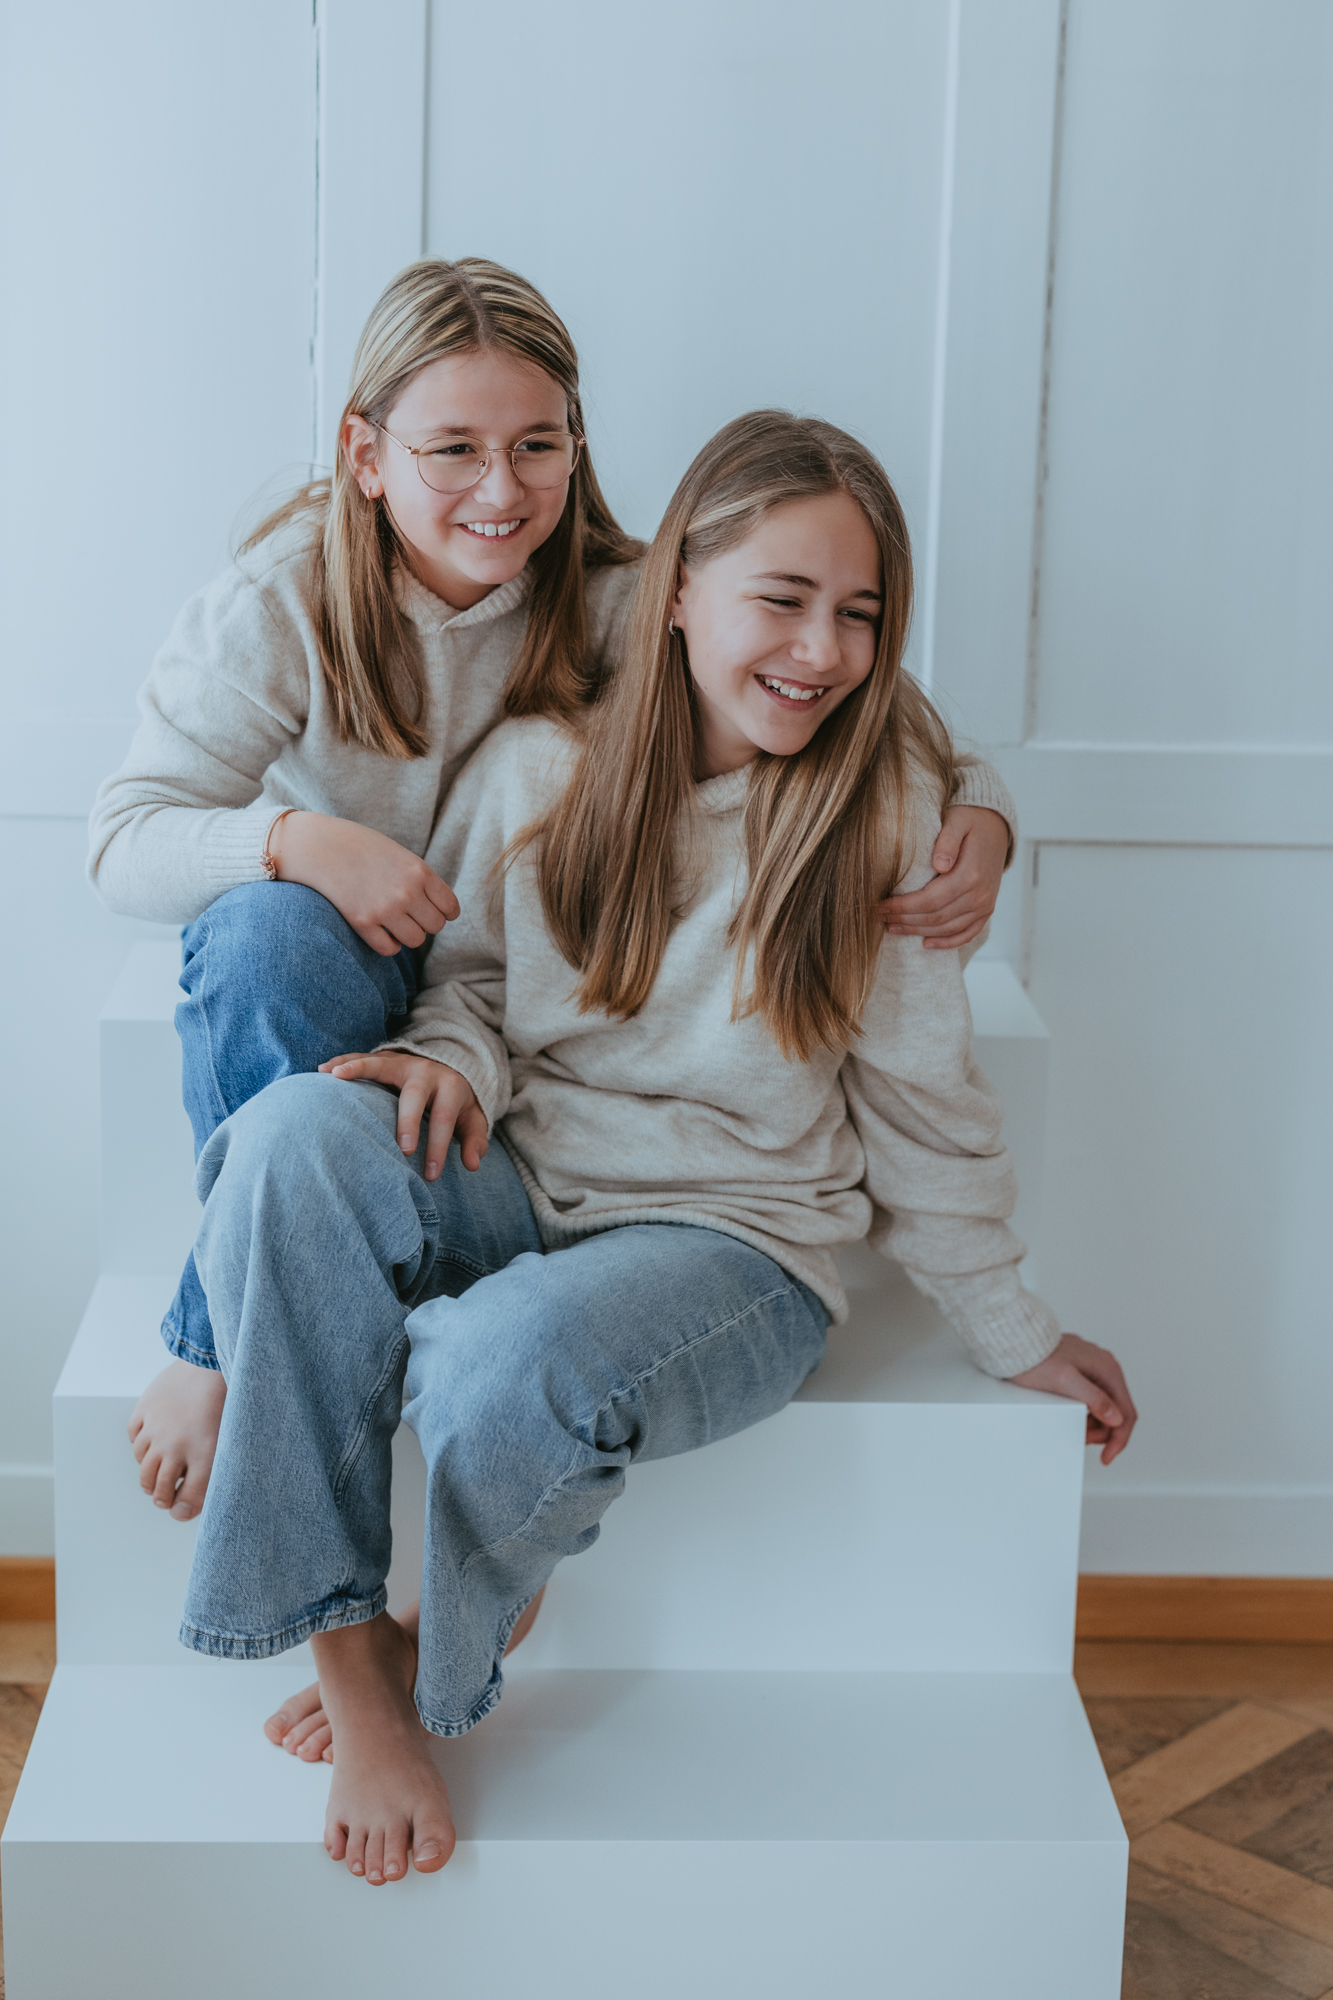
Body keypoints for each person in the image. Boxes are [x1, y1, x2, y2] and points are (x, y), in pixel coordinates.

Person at [181, 409, 1136, 1887]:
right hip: (528, 1175)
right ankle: (348, 1645)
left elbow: (924, 1103)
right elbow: (472, 988)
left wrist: (1013, 1325)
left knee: (498, 1360)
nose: (821, 650)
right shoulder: (538, 765)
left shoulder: (882, 811)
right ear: (673, 589)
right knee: (290, 1134)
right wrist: (448, 1061)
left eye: (860, 614)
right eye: (784, 598)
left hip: (733, 1246)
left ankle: (458, 1633)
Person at [88, 259, 1016, 1524]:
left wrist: (980, 800)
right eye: (453, 449)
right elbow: (123, 838)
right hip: (349, 967)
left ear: (578, 444)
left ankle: (436, 1357)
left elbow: (833, 674)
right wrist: (297, 841)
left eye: (537, 444)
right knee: (264, 938)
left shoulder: (610, 590)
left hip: (504, 992)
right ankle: (222, 1326)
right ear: (366, 453)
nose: (501, 489)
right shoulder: (280, 604)